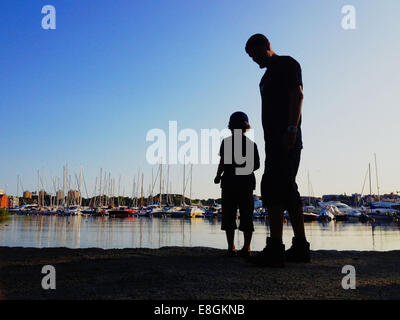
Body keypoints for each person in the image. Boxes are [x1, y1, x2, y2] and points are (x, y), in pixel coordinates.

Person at [245, 33, 311, 267]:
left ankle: (275, 249)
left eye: (255, 54)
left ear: (267, 46)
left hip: (287, 138)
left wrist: (292, 129)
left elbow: (298, 95)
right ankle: (301, 248)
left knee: (272, 188)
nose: (254, 60)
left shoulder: (287, 64)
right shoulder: (264, 79)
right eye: (251, 58)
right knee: (289, 190)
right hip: (272, 141)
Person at [214, 111, 260, 257]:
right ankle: (246, 248)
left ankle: (230, 248)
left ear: (230, 127)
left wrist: (218, 175)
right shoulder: (251, 145)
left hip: (229, 183)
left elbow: (222, 162)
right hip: (246, 184)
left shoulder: (226, 143)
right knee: (247, 216)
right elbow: (257, 165)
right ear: (246, 127)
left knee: (229, 215)